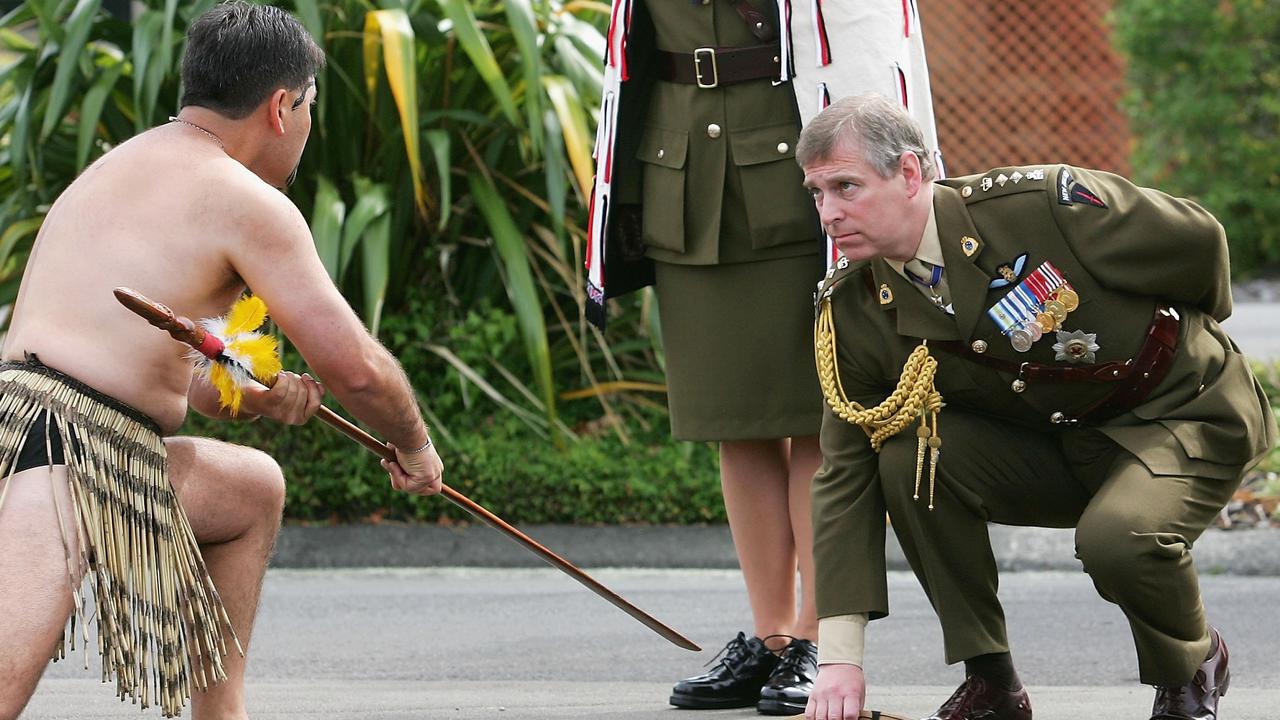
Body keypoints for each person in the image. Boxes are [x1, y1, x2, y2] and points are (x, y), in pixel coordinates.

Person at [0, 5, 444, 719]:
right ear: (280, 106)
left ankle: (220, 714)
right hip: (68, 450)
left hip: (22, 423)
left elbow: (196, 377)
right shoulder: (246, 201)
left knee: (250, 489)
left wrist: (262, 397)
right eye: (308, 111)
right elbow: (354, 367)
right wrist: (415, 446)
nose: (306, 131)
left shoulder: (121, 165)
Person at [795, 93, 1276, 720]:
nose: (829, 213)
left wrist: (1177, 343)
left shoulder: (1041, 208)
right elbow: (844, 475)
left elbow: (1200, 246)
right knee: (910, 459)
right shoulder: (856, 306)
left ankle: (1190, 666)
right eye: (817, 194)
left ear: (909, 173)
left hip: (1179, 412)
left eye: (846, 187)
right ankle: (991, 681)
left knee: (1118, 540)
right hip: (1062, 443)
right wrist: (839, 661)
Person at [584, 3, 942, 714]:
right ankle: (770, 636)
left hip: (794, 166)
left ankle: (816, 635)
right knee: (736, 417)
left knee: (817, 417)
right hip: (682, 169)